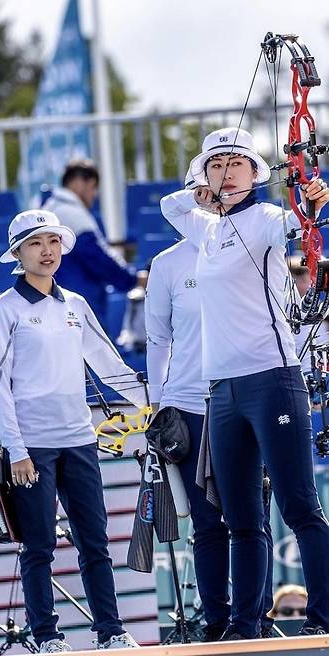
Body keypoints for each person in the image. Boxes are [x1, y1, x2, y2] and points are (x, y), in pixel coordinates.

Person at [160, 127, 329, 639]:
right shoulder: (205, 231)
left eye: (236, 164)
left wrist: (311, 199)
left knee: (299, 506)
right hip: (223, 391)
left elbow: (303, 229)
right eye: (216, 165)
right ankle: (243, 627)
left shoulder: (269, 219)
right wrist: (201, 195)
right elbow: (170, 206)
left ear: (256, 174)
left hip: (273, 380)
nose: (226, 172)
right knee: (240, 518)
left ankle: (323, 621)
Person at [0, 209, 149, 652]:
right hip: (32, 448)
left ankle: (111, 632)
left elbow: (110, 363)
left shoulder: (76, 304)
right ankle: (46, 637)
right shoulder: (3, 311)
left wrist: (150, 406)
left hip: (79, 440)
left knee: (94, 542)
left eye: (53, 242)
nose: (48, 251)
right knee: (38, 547)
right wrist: (14, 449)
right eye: (37, 243)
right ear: (18, 253)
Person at [145, 236, 276, 640]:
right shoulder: (166, 262)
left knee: (253, 517)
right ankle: (217, 623)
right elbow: (157, 340)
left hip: (242, 395)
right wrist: (157, 408)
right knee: (206, 523)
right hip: (187, 404)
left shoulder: (250, 244)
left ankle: (256, 622)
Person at [43, 159, 135, 327]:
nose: (95, 195)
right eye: (93, 187)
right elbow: (99, 258)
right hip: (81, 312)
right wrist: (132, 280)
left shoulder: (50, 208)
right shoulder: (71, 213)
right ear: (79, 182)